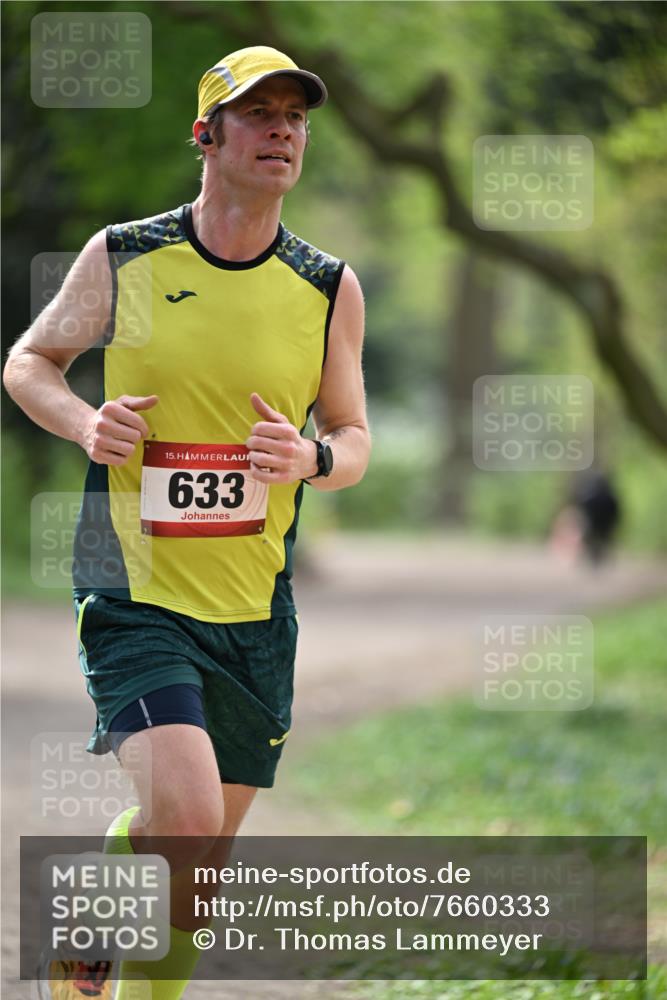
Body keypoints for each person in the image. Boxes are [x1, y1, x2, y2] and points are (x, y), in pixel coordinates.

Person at [4, 45, 370, 1000]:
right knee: (188, 815)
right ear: (206, 135)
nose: (282, 131)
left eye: (295, 118)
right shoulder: (126, 254)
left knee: (198, 867)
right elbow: (29, 364)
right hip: (134, 588)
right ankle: (87, 962)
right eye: (259, 114)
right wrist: (87, 423)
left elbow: (353, 435)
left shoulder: (326, 285)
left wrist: (313, 459)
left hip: (253, 611)